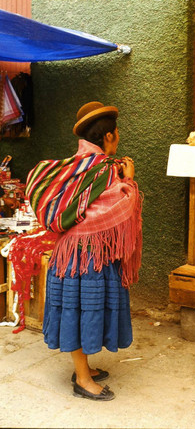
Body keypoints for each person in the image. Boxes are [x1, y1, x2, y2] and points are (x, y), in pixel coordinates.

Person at [25, 101, 143, 401]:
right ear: (107, 138)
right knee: (81, 312)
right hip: (88, 258)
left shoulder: (74, 167)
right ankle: (82, 379)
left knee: (78, 310)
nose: (117, 138)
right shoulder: (105, 170)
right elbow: (121, 208)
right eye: (116, 134)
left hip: (70, 254)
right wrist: (129, 179)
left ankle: (84, 369)